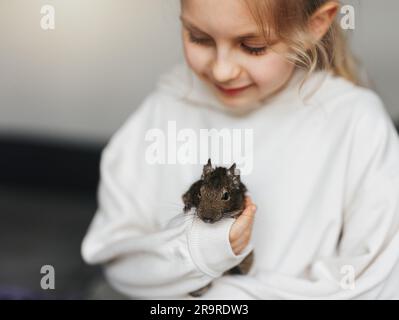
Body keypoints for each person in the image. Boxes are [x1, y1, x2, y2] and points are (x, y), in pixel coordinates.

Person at [81, 0, 399, 299]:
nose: (222, 70)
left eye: (253, 47)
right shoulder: (162, 111)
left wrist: (229, 298)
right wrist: (198, 249)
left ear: (316, 25)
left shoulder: (356, 124)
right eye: (199, 38)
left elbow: (374, 279)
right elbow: (117, 259)